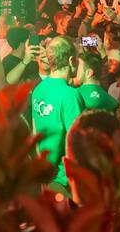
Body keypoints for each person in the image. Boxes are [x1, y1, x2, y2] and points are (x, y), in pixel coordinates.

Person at [30, 36, 85, 191]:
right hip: (64, 179)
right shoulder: (70, 95)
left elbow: (35, 132)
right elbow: (77, 142)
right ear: (71, 61)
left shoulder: (39, 89)